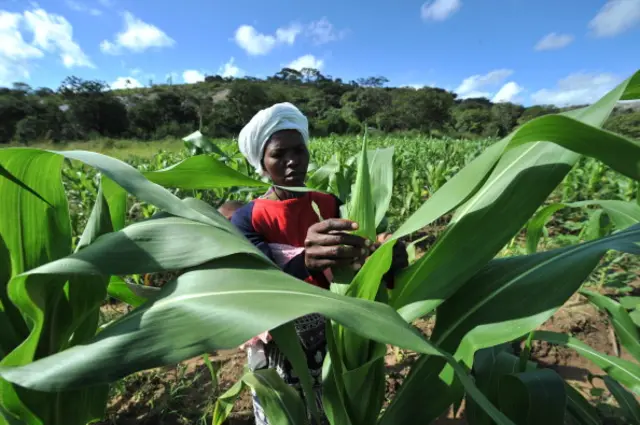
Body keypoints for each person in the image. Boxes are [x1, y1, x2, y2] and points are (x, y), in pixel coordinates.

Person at [231, 102, 408, 425]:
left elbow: (358, 262)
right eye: (279, 154)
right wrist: (305, 263)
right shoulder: (248, 218)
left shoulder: (329, 203)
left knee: (337, 409)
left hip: (337, 334)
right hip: (281, 342)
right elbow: (254, 285)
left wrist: (387, 258)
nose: (292, 161)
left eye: (299, 150)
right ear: (261, 161)